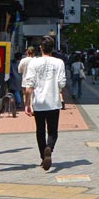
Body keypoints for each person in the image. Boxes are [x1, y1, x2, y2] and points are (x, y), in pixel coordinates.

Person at [23, 35, 67, 171]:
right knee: (53, 131)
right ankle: (49, 148)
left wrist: (27, 104)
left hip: (39, 102)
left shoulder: (33, 63)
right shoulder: (59, 63)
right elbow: (62, 83)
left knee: (40, 130)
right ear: (52, 49)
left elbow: (29, 85)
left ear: (40, 48)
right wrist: (57, 88)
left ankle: (43, 156)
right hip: (53, 101)